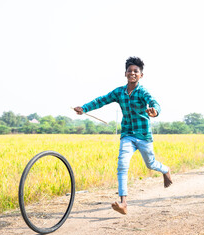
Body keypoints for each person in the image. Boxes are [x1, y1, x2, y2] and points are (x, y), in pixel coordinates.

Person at [73, 56, 172, 214]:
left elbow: (154, 102)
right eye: (130, 71)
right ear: (125, 73)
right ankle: (123, 203)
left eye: (136, 71)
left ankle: (165, 170)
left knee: (151, 164)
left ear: (141, 75)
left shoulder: (142, 92)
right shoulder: (119, 92)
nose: (132, 73)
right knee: (122, 165)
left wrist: (155, 111)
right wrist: (84, 108)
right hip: (127, 135)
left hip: (143, 135)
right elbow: (102, 100)